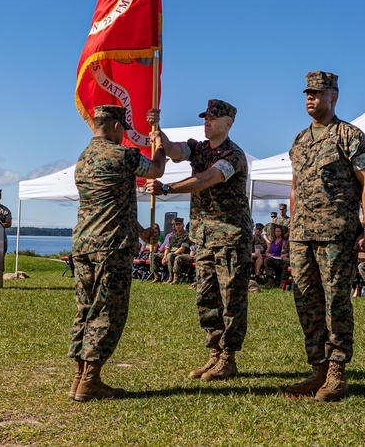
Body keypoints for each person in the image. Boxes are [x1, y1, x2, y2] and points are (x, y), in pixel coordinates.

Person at [283, 71, 365, 402]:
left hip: (337, 234)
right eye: (307, 93)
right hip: (302, 235)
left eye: (318, 93)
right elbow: (294, 188)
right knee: (306, 300)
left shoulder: (349, 135)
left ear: (333, 97)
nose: (311, 98)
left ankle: (337, 372)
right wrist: (293, 225)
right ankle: (318, 368)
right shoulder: (299, 139)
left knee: (335, 301)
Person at [146, 99, 253, 383]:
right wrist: (159, 129)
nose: (207, 122)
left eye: (213, 118)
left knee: (231, 300)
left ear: (228, 123)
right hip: (204, 238)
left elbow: (207, 178)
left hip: (230, 237)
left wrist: (167, 188)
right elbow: (174, 150)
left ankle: (228, 357)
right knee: (206, 298)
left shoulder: (233, 155)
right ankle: (214, 353)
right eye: (205, 117)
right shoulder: (200, 147)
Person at [70, 104, 166, 402]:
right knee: (108, 310)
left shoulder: (82, 159)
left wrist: (140, 232)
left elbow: (110, 203)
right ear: (115, 127)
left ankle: (78, 377)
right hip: (112, 246)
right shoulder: (121, 154)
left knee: (85, 310)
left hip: (84, 243)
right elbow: (156, 169)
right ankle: (91, 380)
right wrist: (158, 143)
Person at [164, 218, 192, 284]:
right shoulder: (172, 236)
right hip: (172, 254)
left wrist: (171, 254)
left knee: (173, 256)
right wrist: (164, 257)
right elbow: (167, 248)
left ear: (183, 225)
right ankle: (158, 277)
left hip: (184, 255)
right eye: (176, 224)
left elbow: (182, 249)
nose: (178, 226)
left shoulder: (187, 235)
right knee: (153, 255)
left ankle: (175, 279)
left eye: (179, 224)